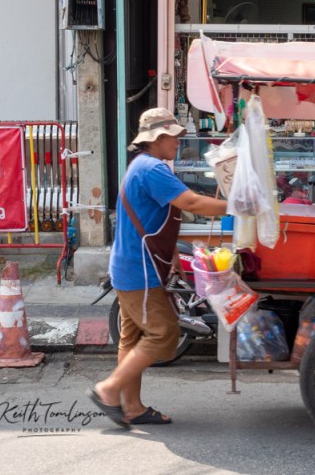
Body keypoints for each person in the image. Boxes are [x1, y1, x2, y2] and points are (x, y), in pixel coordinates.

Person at [87, 107, 228, 428]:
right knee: (164, 332)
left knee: (132, 340)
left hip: (131, 266)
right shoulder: (152, 169)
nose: (178, 141)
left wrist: (174, 257)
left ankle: (132, 407)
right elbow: (191, 203)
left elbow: (159, 218)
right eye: (174, 136)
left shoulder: (143, 166)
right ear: (158, 138)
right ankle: (108, 390)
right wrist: (239, 205)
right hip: (140, 271)